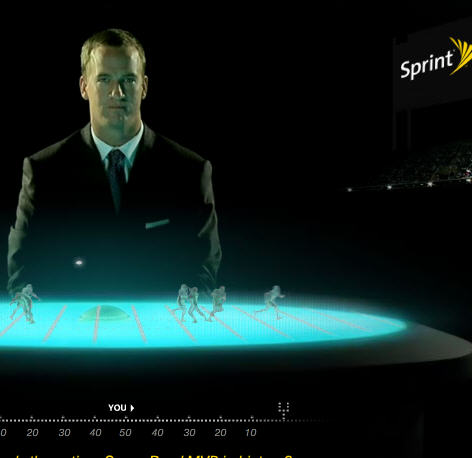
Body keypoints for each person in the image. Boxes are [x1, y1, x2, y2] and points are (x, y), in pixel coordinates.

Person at [7, 28, 222, 299]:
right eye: (104, 79)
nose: (117, 92)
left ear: (144, 86)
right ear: (84, 86)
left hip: (160, 325)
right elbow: (22, 275)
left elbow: (203, 272)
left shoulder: (189, 172)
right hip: (74, 324)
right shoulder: (44, 171)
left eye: (128, 80)